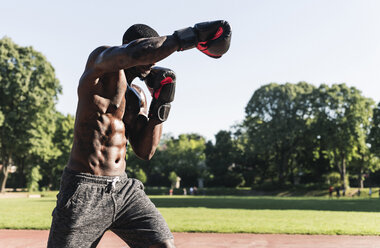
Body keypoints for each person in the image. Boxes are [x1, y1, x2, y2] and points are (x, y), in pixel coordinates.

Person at [47, 20, 231, 248]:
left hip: (123, 189)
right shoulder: (101, 65)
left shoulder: (135, 97)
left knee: (163, 245)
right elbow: (137, 52)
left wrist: (160, 106)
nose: (153, 62)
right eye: (150, 54)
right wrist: (191, 36)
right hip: (85, 189)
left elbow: (145, 151)